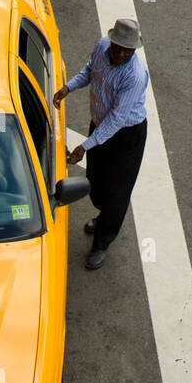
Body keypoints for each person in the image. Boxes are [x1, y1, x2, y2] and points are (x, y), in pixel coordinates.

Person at [53, 19, 149, 271]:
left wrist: (85, 146)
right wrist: (68, 87)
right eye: (117, 48)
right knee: (95, 181)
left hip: (126, 135)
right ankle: (102, 215)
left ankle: (102, 242)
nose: (120, 54)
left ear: (134, 50)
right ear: (112, 42)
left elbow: (117, 118)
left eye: (127, 51)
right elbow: (90, 71)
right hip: (100, 127)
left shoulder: (135, 76)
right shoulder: (101, 47)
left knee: (117, 193)